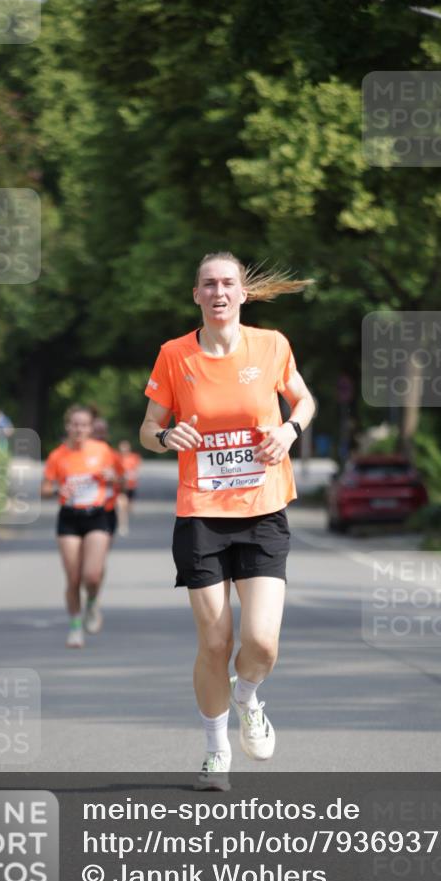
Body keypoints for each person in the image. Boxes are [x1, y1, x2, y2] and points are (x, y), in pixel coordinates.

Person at [140, 252, 316, 790]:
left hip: (263, 509)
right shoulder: (175, 356)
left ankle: (247, 697)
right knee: (215, 644)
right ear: (196, 295)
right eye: (209, 284)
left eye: (228, 284)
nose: (218, 292)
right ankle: (216, 751)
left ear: (243, 293)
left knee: (261, 643)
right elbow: (148, 428)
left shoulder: (272, 345)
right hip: (201, 514)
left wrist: (289, 431)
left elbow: (303, 400)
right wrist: (168, 437)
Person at [41, 405, 123, 648]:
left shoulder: (104, 451)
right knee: (73, 577)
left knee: (92, 575)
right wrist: (58, 489)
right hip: (69, 517)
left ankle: (92, 602)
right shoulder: (58, 456)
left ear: (91, 428)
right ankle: (75, 627)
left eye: (84, 425)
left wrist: (113, 478)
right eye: (74, 424)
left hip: (98, 515)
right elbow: (45, 489)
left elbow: (121, 480)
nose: (78, 429)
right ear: (68, 426)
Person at [116, 440, 142, 536]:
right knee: (121, 505)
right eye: (122, 447)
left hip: (131, 486)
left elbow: (136, 471)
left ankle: (125, 517)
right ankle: (122, 525)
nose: (123, 449)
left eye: (125, 447)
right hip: (121, 487)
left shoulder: (134, 457)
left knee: (128, 507)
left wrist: (132, 475)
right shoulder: (117, 458)